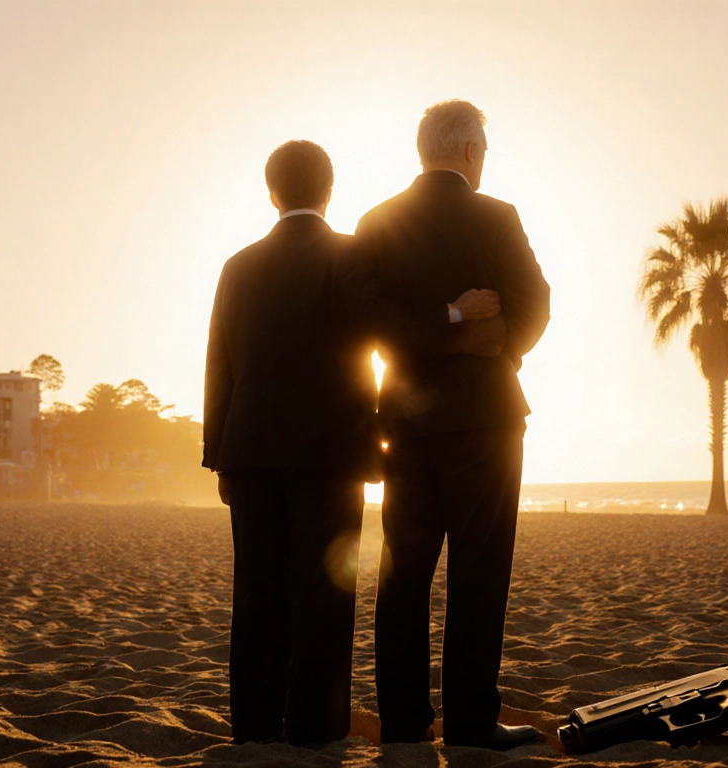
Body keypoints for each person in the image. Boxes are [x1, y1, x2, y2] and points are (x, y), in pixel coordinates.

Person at [203, 140, 502, 746]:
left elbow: (219, 365)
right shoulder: (346, 255)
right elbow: (381, 329)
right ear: (329, 189)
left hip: (253, 450)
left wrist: (220, 455)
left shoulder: (237, 265)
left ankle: (255, 727)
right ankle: (316, 727)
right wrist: (453, 314)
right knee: (324, 593)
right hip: (330, 449)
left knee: (256, 592)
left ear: (271, 192)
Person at [356, 100, 551, 750]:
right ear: (469, 152)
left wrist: (456, 339)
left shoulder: (376, 222)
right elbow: (537, 302)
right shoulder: (496, 216)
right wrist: (488, 340)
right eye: (485, 151)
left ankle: (405, 723)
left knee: (403, 574)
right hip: (486, 423)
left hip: (405, 425)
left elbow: (371, 325)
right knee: (479, 573)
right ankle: (470, 722)